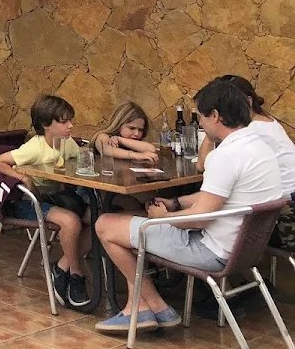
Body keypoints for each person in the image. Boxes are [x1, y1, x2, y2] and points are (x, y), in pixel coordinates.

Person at [94, 79, 285, 333]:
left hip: (211, 251)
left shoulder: (226, 155)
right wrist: (175, 203)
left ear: (215, 115)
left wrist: (162, 217)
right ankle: (141, 305)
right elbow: (215, 196)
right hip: (244, 251)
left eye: (202, 117)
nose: (201, 124)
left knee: (106, 224)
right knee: (131, 223)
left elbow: (199, 219)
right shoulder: (260, 148)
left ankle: (151, 306)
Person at [0, 95, 92, 309]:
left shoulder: (66, 142)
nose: (70, 126)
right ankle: (76, 274)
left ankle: (61, 267)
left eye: (70, 120)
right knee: (71, 222)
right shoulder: (34, 148)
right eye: (64, 121)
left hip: (54, 199)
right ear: (46, 125)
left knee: (98, 217)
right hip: (27, 202)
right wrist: (23, 177)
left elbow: (78, 161)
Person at [200, 75, 295, 251]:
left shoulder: (251, 131)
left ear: (248, 102)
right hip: (283, 209)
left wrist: (212, 126)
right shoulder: (268, 121)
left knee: (212, 213)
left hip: (284, 222)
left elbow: (202, 164)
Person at [93, 102, 160, 163]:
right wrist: (135, 155)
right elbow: (106, 150)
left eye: (140, 130)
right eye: (132, 128)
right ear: (119, 124)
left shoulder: (133, 143)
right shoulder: (103, 136)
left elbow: (151, 149)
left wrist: (120, 140)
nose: (136, 133)